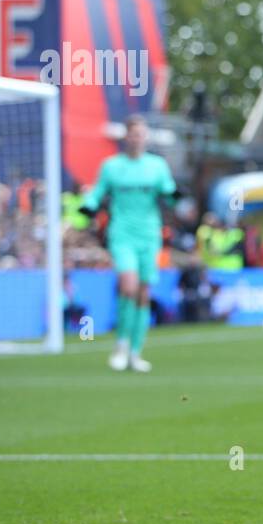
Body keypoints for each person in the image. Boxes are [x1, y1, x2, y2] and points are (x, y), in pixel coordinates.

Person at [79, 115, 177, 373]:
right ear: (126, 136)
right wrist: (87, 207)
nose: (136, 138)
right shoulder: (112, 166)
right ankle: (121, 346)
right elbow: (98, 192)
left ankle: (136, 352)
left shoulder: (156, 166)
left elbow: (169, 192)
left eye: (141, 134)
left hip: (149, 235)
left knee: (144, 293)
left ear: (145, 137)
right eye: (132, 134)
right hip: (122, 234)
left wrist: (177, 197)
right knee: (128, 286)